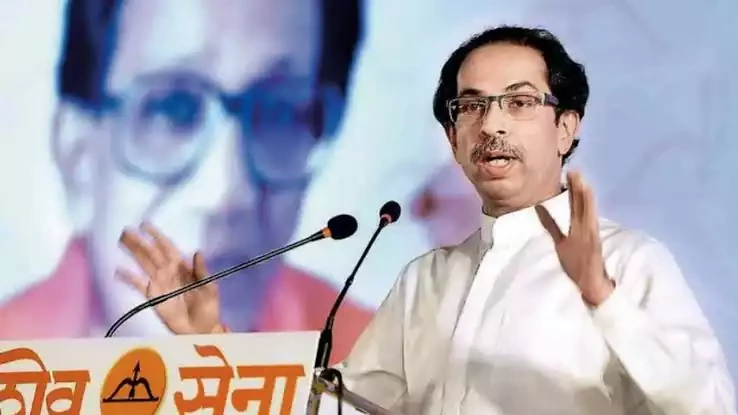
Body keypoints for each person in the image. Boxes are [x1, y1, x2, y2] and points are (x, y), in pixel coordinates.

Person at [115, 25, 736, 413]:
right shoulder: (426, 278)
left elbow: (706, 404)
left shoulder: (629, 263)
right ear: (452, 136)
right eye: (472, 106)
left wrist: (601, 297)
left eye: (520, 103)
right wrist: (211, 340)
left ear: (566, 127)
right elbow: (341, 409)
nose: (492, 124)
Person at [0, 0, 375, 361]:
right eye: (172, 108)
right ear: (78, 152)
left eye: (281, 112)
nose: (229, 193)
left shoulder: (373, 365)